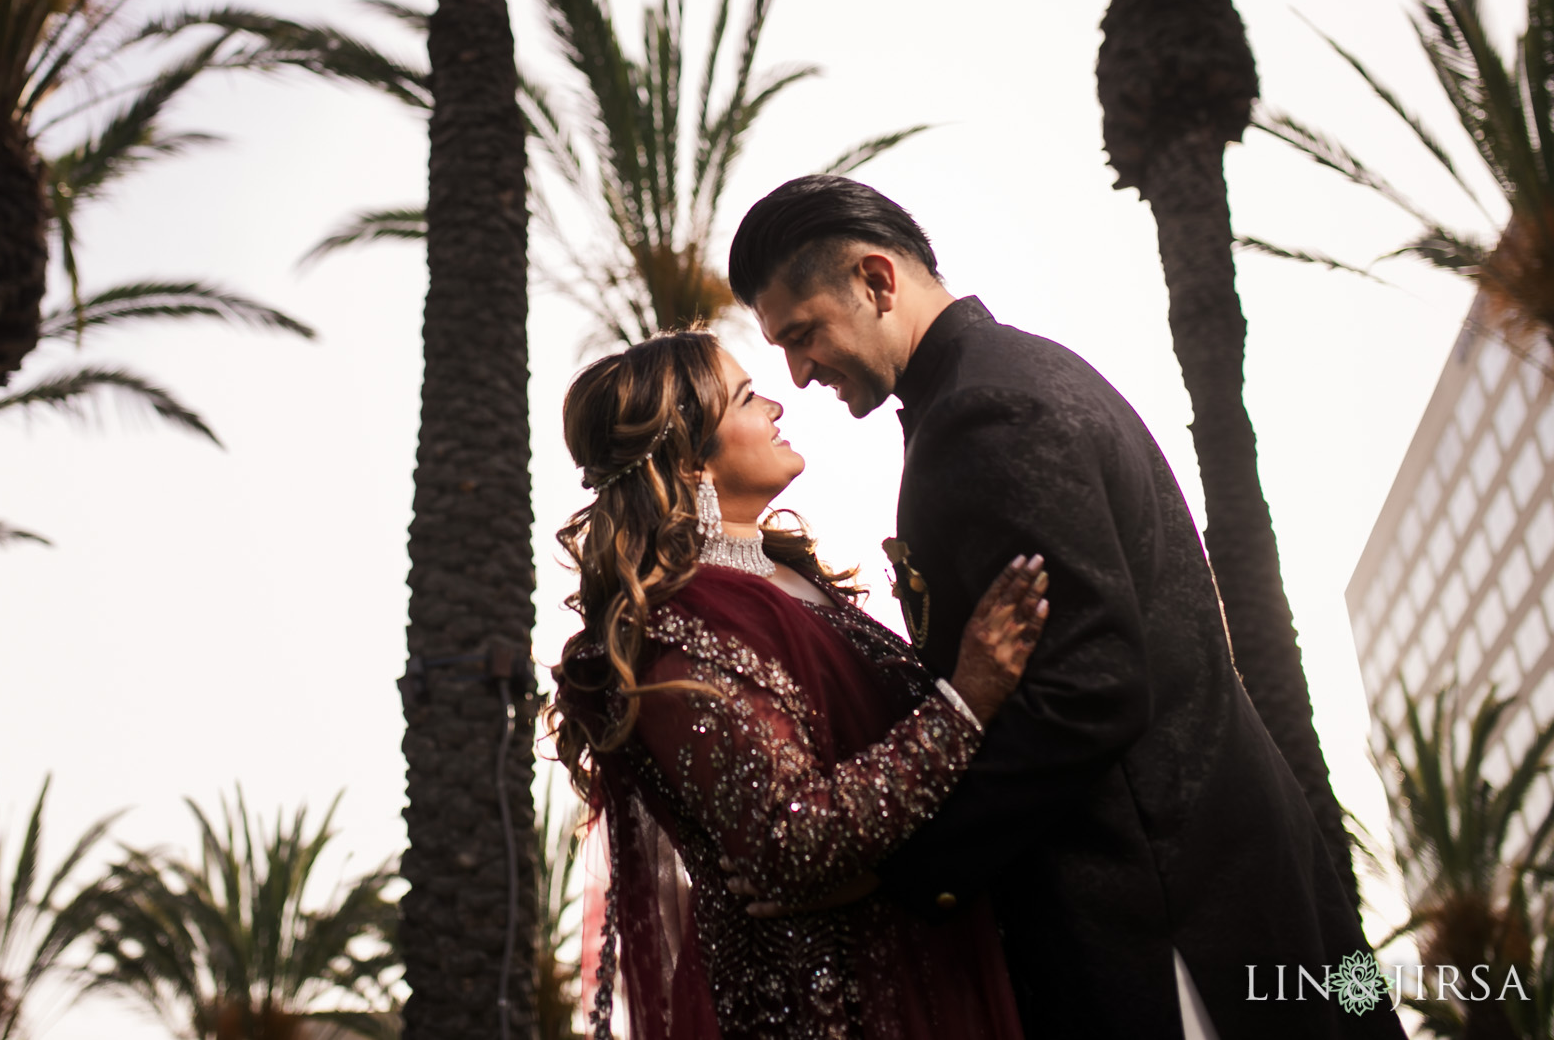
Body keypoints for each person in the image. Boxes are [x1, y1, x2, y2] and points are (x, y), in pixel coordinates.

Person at [725, 175, 1405, 1040]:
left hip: (1172, 924)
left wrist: (900, 872)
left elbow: (1089, 692)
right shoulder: (1012, 375)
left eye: (803, 333)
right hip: (1221, 882)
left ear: (876, 280)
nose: (798, 371)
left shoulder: (984, 414)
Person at [548, 329, 1049, 1040]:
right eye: (749, 398)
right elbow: (790, 840)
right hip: (835, 1002)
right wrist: (966, 697)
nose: (779, 404)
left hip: (929, 951)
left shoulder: (789, 578)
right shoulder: (676, 632)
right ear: (691, 459)